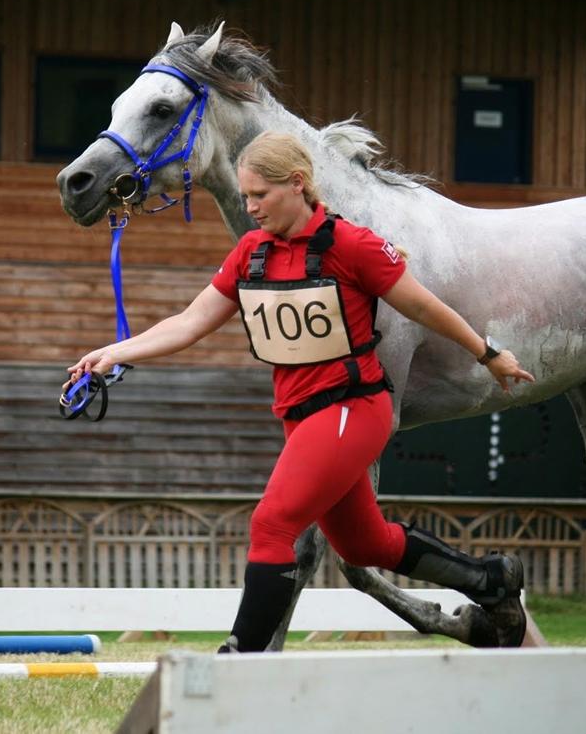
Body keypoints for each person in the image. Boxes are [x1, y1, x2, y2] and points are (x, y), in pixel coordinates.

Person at [66, 131, 537, 651]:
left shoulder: (352, 245)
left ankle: (241, 656)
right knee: (363, 542)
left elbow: (424, 307)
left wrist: (489, 355)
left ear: (297, 184)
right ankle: (489, 579)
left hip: (352, 409)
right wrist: (113, 353)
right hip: (301, 417)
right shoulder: (251, 251)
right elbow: (190, 322)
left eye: (259, 196)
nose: (250, 207)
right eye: (244, 196)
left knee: (271, 523)